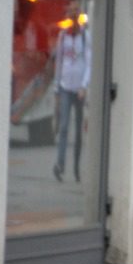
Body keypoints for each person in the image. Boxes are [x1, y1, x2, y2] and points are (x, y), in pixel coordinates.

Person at [51, 18, 90, 183]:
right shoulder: (63, 37)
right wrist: (56, 86)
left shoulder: (85, 36)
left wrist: (84, 85)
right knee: (64, 127)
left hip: (79, 89)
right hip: (66, 87)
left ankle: (76, 168)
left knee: (79, 131)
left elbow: (89, 62)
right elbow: (59, 62)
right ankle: (60, 165)